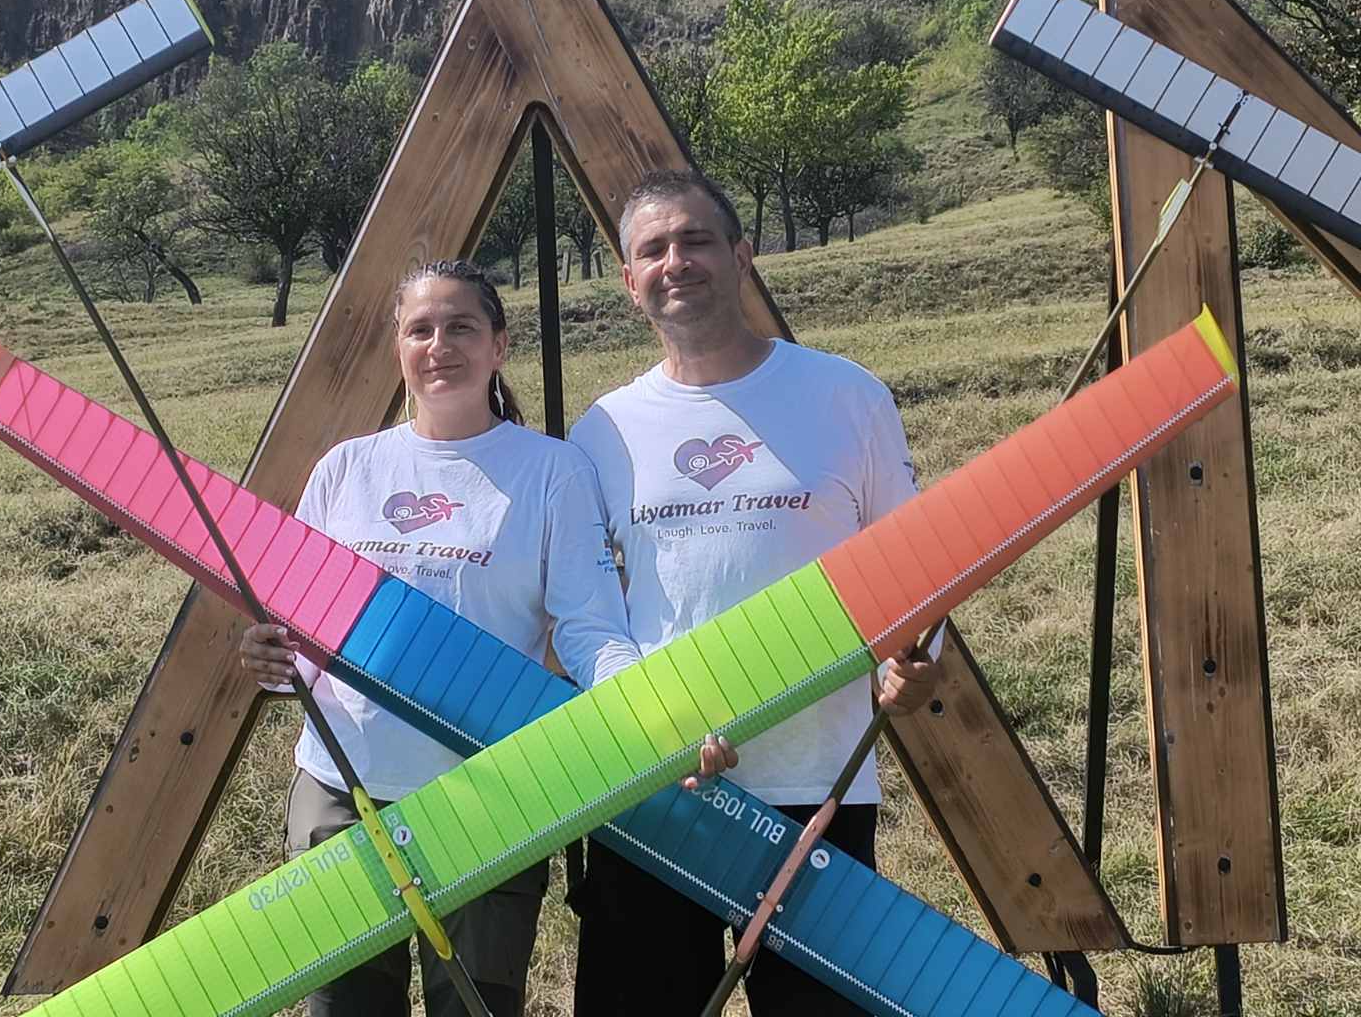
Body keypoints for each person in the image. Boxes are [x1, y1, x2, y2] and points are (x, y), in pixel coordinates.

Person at [567, 169, 941, 1016]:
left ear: (741, 256)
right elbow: (588, 616)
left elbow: (916, 562)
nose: (676, 262)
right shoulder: (603, 431)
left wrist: (916, 660)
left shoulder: (846, 395)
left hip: (817, 781)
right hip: (658, 784)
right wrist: (650, 721)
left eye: (696, 240)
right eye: (653, 250)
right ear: (628, 280)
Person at [239, 259, 640, 1017]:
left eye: (461, 327)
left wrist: (644, 716)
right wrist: (270, 659)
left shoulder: (552, 471)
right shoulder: (346, 469)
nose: (439, 345)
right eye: (419, 329)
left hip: (488, 795)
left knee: (476, 1007)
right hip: (343, 787)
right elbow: (299, 633)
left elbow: (590, 628)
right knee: (345, 1005)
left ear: (499, 345)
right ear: (398, 346)